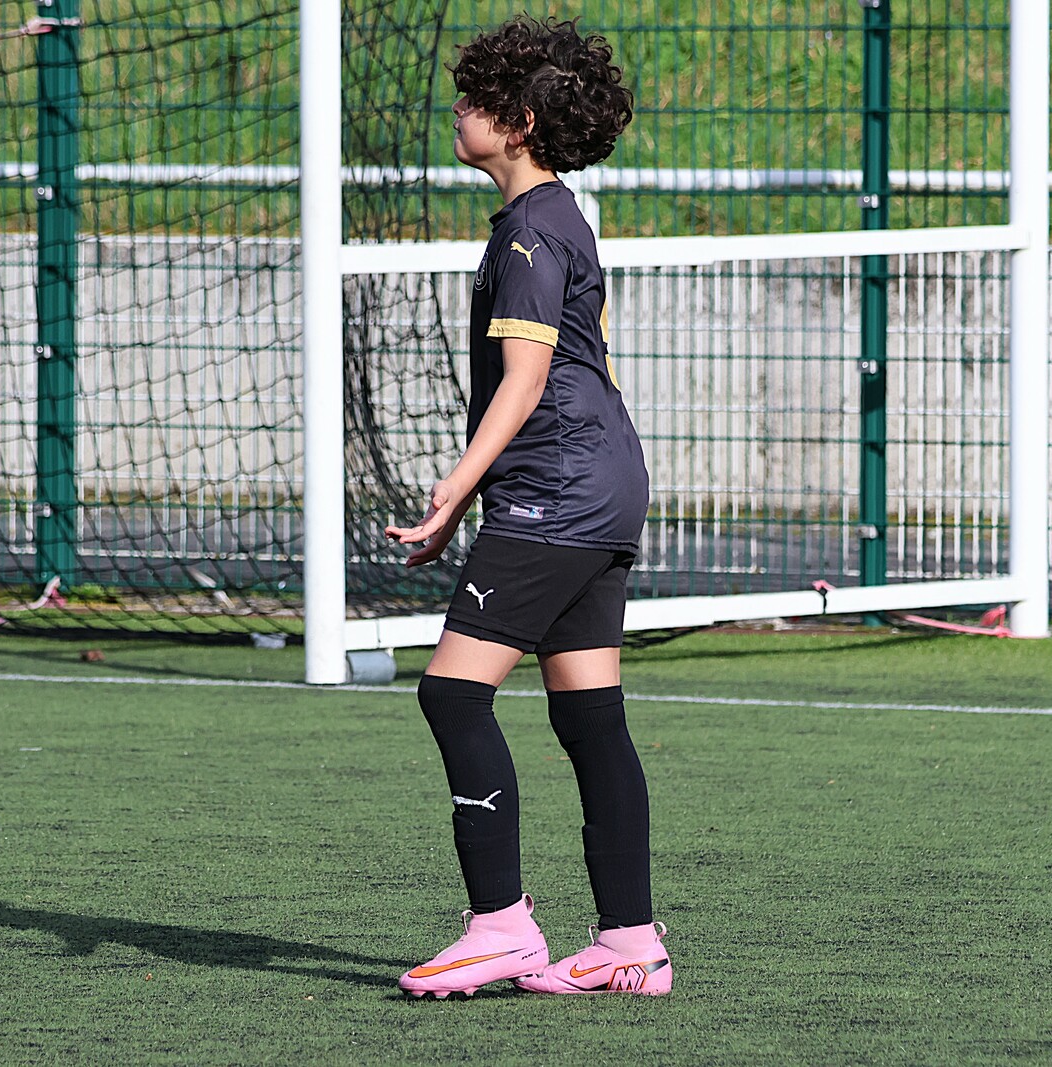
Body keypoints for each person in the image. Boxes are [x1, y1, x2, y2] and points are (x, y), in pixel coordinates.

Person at [384, 15, 668, 998]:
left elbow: (527, 375)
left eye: (476, 98)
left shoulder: (532, 230)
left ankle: (501, 926)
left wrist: (455, 487)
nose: (458, 110)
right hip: (601, 485)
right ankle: (630, 941)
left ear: (521, 122)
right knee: (590, 716)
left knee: (452, 693)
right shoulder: (551, 217)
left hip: (557, 491)